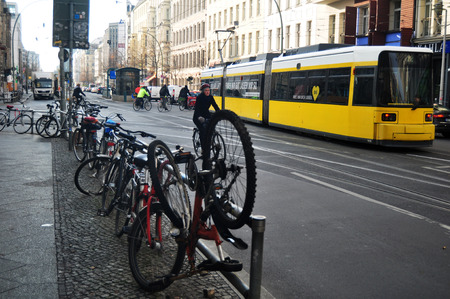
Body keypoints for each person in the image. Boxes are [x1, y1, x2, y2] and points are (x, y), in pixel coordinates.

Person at [193, 83, 220, 151]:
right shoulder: (199, 97)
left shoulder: (210, 97)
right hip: (198, 116)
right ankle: (203, 149)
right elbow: (197, 109)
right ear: (203, 91)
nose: (208, 92)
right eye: (206, 90)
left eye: (208, 90)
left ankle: (210, 141)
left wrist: (220, 113)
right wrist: (199, 117)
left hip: (206, 114)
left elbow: (215, 106)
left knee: (211, 127)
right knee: (202, 131)